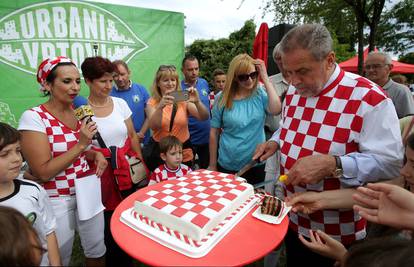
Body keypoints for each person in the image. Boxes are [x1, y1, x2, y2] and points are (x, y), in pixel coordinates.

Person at [253, 24, 403, 267]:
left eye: (302, 71)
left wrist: (333, 164)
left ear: (330, 59)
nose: (294, 81)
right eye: (288, 72)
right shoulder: (294, 89)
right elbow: (290, 126)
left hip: (337, 232)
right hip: (294, 217)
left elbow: (390, 164)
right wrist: (275, 140)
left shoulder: (369, 98)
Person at [18, 56, 107, 266]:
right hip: (55, 197)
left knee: (96, 249)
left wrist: (96, 154)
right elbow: (42, 172)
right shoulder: (34, 117)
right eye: (66, 81)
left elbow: (80, 153)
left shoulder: (79, 113)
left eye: (77, 81)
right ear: (47, 84)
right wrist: (81, 145)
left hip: (87, 188)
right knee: (59, 256)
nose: (75, 87)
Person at [81, 56, 142, 267]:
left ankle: (127, 257)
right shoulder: (81, 111)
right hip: (100, 175)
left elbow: (132, 135)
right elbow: (80, 148)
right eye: (103, 81)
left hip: (125, 171)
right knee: (106, 226)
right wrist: (94, 155)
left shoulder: (120, 103)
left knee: (127, 219)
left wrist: (139, 163)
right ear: (88, 81)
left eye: (111, 79)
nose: (109, 85)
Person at [209, 54, 281, 186]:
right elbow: (214, 132)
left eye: (253, 74)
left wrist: (265, 77)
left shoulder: (259, 93)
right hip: (228, 163)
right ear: (234, 77)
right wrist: (212, 165)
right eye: (243, 77)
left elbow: (276, 109)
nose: (249, 80)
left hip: (255, 163)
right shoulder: (222, 98)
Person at [0, 122, 60, 266]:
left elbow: (48, 232)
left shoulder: (34, 190)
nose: (16, 159)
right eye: (5, 154)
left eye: (18, 150)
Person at [145, 64, 209, 171]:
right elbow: (154, 126)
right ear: (158, 83)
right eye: (166, 80)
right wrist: (160, 107)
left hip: (182, 152)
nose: (170, 83)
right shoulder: (152, 102)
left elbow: (204, 117)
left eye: (173, 80)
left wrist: (197, 102)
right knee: (163, 185)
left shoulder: (182, 99)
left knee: (183, 185)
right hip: (162, 154)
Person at [264, 43, 290, 196]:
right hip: (272, 138)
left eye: (282, 59)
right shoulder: (270, 82)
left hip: (291, 142)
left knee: (284, 185)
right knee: (271, 183)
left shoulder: (300, 82)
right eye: (277, 60)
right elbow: (275, 110)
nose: (280, 63)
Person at [181, 55, 211, 169]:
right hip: (189, 141)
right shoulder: (178, 89)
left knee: (207, 172)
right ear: (183, 70)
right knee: (188, 173)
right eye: (190, 69)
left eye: (196, 68)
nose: (194, 72)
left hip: (207, 138)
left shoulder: (204, 83)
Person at [111, 60, 151, 145]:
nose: (120, 79)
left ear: (129, 73)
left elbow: (149, 116)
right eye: (115, 76)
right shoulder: (109, 94)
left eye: (122, 74)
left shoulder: (141, 89)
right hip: (122, 144)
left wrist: (141, 134)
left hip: (143, 141)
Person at [364, 51, 414, 118]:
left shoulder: (401, 91)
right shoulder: (362, 90)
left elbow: (408, 122)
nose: (371, 70)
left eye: (376, 66)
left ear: (389, 68)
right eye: (367, 67)